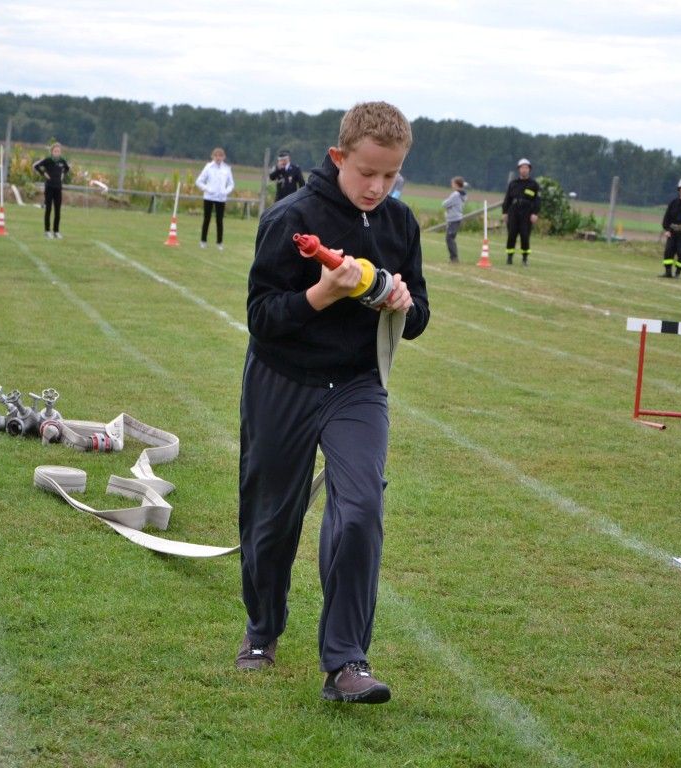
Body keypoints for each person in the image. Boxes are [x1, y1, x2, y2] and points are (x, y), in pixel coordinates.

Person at [236, 101, 429, 705]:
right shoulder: (291, 217)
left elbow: (420, 315)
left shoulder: (400, 223)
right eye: (366, 172)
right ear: (338, 157)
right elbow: (263, 318)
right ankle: (262, 630)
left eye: (390, 175)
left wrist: (403, 304)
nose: (377, 187)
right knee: (272, 518)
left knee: (362, 508)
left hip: (357, 385)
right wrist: (321, 294)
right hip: (283, 379)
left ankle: (346, 661)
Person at [501, 158, 541, 265]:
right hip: (513, 212)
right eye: (522, 168)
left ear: (529, 169)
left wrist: (535, 213)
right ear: (519, 169)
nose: (524, 170)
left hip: (527, 213)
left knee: (525, 236)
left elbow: (537, 200)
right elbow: (507, 199)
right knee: (511, 235)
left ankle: (524, 258)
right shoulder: (513, 183)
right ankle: (509, 257)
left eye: (526, 168)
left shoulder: (534, 184)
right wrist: (505, 212)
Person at [196, 147, 235, 249]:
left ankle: (219, 243)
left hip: (221, 198)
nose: (218, 158)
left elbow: (231, 184)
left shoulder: (226, 169)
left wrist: (225, 191)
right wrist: (207, 189)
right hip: (209, 197)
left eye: (220, 156)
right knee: (207, 219)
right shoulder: (208, 167)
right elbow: (199, 181)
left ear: (223, 157)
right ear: (212, 156)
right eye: (216, 156)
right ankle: (203, 241)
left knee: (219, 220)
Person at [33, 142, 70, 239]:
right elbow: (36, 166)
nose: (57, 153)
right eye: (55, 151)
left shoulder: (62, 161)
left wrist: (63, 174)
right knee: (48, 209)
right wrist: (44, 173)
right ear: (52, 152)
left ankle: (56, 231)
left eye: (58, 151)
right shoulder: (48, 160)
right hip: (49, 187)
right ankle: (47, 231)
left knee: (57, 210)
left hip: (58, 188)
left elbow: (67, 168)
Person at [442, 176, 468, 263]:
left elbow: (445, 204)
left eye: (453, 183)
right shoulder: (462, 194)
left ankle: (454, 258)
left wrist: (445, 203)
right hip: (456, 218)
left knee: (449, 238)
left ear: (456, 184)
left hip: (454, 218)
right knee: (450, 238)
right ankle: (453, 258)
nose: (451, 185)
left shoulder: (456, 194)